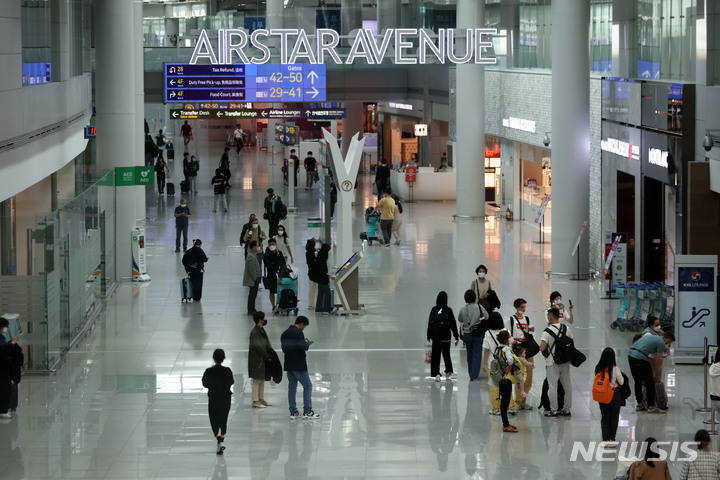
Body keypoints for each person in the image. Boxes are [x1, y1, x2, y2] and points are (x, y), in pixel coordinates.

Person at [281, 316, 319, 419]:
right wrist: (306, 344)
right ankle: (307, 410)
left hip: (288, 364)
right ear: (302, 324)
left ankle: (293, 411)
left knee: (292, 387)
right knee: (308, 386)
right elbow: (302, 347)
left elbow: (284, 349)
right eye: (304, 326)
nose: (303, 328)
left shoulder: (284, 333)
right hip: (298, 364)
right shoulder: (298, 333)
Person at [627, 331, 675, 413]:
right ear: (668, 339)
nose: (669, 344)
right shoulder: (661, 343)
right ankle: (651, 406)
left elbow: (648, 348)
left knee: (638, 381)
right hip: (640, 358)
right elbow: (658, 359)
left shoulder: (651, 337)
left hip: (631, 355)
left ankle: (639, 404)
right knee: (650, 382)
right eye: (669, 342)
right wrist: (656, 374)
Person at [539, 308, 573, 417]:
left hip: (552, 362)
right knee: (567, 385)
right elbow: (572, 342)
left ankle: (554, 410)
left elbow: (542, 347)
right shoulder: (566, 328)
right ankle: (566, 409)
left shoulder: (547, 331)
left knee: (553, 386)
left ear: (550, 317)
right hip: (565, 361)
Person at [481, 312, 516, 415]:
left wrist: (484, 364)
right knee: (507, 385)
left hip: (493, 364)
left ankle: (496, 408)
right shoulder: (506, 331)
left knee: (494, 387)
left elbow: (486, 349)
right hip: (506, 364)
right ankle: (510, 407)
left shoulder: (488, 333)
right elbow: (512, 343)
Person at [201, 348, 234, 455]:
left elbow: (205, 384)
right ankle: (221, 443)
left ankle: (219, 441)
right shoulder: (228, 371)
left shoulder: (209, 371)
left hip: (214, 399)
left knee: (214, 419)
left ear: (213, 358)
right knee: (223, 420)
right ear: (223, 358)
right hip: (225, 399)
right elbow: (231, 382)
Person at [594, 347, 624, 446]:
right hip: (614, 394)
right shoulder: (615, 369)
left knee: (605, 416)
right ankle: (612, 437)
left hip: (602, 395)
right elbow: (622, 382)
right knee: (614, 416)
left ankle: (605, 439)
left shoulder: (598, 368)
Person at [426, 291, 459, 382]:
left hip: (435, 337)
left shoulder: (434, 309)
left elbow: (430, 323)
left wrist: (428, 335)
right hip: (446, 337)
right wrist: (456, 336)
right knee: (446, 355)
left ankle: (436, 374)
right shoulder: (448, 310)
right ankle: (448, 373)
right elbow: (453, 324)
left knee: (436, 355)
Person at [509, 298, 535, 410]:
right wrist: (516, 338)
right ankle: (518, 401)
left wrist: (531, 330)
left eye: (525, 307)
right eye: (522, 307)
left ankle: (523, 400)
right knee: (519, 376)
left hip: (527, 350)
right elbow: (508, 336)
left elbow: (528, 333)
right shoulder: (511, 320)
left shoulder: (527, 319)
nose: (524, 309)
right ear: (516, 308)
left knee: (528, 376)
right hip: (517, 350)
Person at [492, 330, 518, 433]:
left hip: (500, 377)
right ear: (506, 340)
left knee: (503, 400)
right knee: (505, 402)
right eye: (510, 337)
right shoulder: (506, 349)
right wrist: (509, 366)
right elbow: (511, 360)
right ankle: (506, 425)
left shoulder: (497, 349)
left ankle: (506, 423)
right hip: (506, 378)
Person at [457, 289, 484, 381]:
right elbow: (487, 316)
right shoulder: (479, 307)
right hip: (477, 333)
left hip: (467, 334)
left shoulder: (463, 309)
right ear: (475, 297)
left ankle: (470, 372)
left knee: (470, 353)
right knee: (477, 354)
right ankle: (474, 375)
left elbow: (460, 319)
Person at [249, 312, 273, 409]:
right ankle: (255, 400)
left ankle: (261, 398)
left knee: (262, 379)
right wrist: (267, 356)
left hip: (262, 358)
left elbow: (266, 342)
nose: (265, 320)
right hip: (257, 359)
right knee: (257, 379)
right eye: (264, 318)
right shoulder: (254, 332)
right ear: (260, 320)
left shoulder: (261, 330)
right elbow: (258, 347)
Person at [0, 317, 20, 419]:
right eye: (4, 327)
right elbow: (3, 351)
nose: (5, 329)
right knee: (3, 389)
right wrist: (12, 343)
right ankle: (2, 410)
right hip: (2, 370)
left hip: (4, 369)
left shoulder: (1, 337)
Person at [263, 238, 286, 313]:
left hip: (280, 275)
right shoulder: (266, 255)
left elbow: (283, 263)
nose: (272, 246)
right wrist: (275, 270)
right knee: (272, 291)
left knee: (281, 290)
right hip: (271, 275)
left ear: (276, 244)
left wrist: (282, 270)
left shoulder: (279, 253)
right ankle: (273, 306)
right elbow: (268, 265)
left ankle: (281, 305)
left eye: (273, 244)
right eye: (270, 245)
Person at [311, 243, 335, 313]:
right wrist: (329, 275)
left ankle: (318, 309)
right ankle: (326, 309)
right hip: (323, 278)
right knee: (327, 293)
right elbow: (322, 269)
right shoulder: (322, 257)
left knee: (320, 293)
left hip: (320, 278)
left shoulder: (320, 255)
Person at [243, 241, 262, 314]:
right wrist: (255, 278)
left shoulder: (253, 255)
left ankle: (252, 308)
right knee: (252, 295)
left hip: (255, 278)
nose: (258, 247)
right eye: (257, 246)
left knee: (253, 295)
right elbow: (252, 269)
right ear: (253, 247)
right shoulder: (251, 256)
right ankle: (250, 309)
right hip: (253, 279)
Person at [305, 239, 318, 310]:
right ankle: (315, 304)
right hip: (316, 273)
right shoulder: (315, 254)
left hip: (310, 273)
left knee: (311, 289)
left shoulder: (307, 253)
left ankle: (310, 304)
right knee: (316, 289)